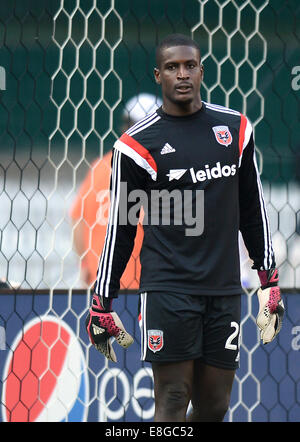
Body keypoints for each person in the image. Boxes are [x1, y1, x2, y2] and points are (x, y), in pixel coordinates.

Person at [85, 34, 284, 422]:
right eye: (172, 68)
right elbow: (121, 230)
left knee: (214, 407)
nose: (182, 74)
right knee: (174, 399)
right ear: (158, 75)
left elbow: (252, 210)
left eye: (189, 66)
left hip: (223, 289)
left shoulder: (236, 129)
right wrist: (101, 301)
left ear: (201, 71)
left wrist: (268, 280)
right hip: (167, 289)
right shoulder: (135, 146)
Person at [70, 93, 161, 288]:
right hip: (146, 292)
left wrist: (86, 264)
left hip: (102, 289)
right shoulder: (160, 172)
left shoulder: (100, 166)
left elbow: (78, 223)